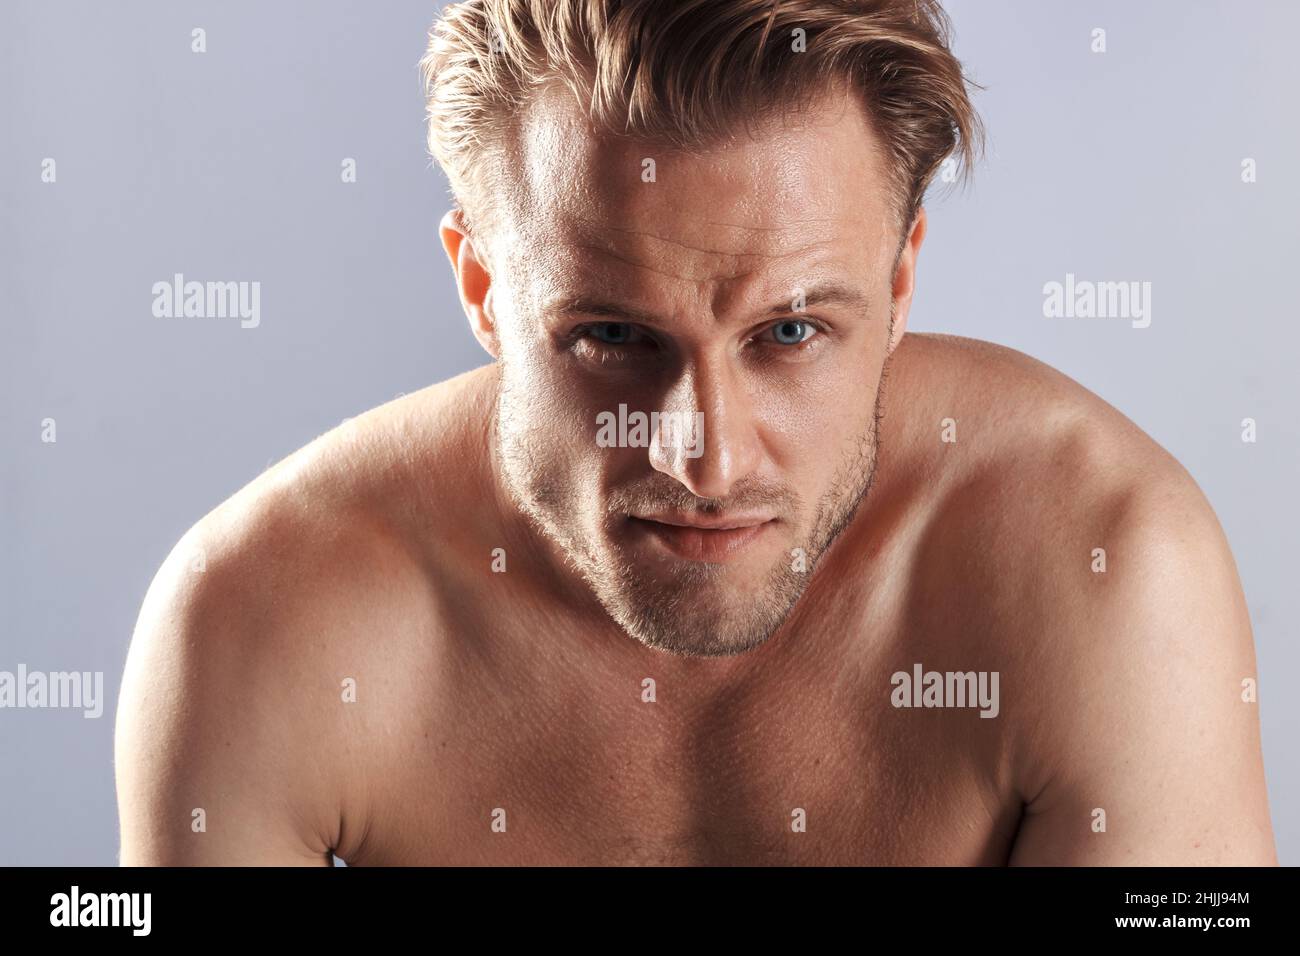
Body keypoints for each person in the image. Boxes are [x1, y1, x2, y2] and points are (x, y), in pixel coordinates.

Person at [116, 0, 1277, 865]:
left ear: (902, 277)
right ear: (479, 284)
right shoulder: (258, 620)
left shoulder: (1109, 569)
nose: (706, 460)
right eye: (614, 335)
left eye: (787, 332)